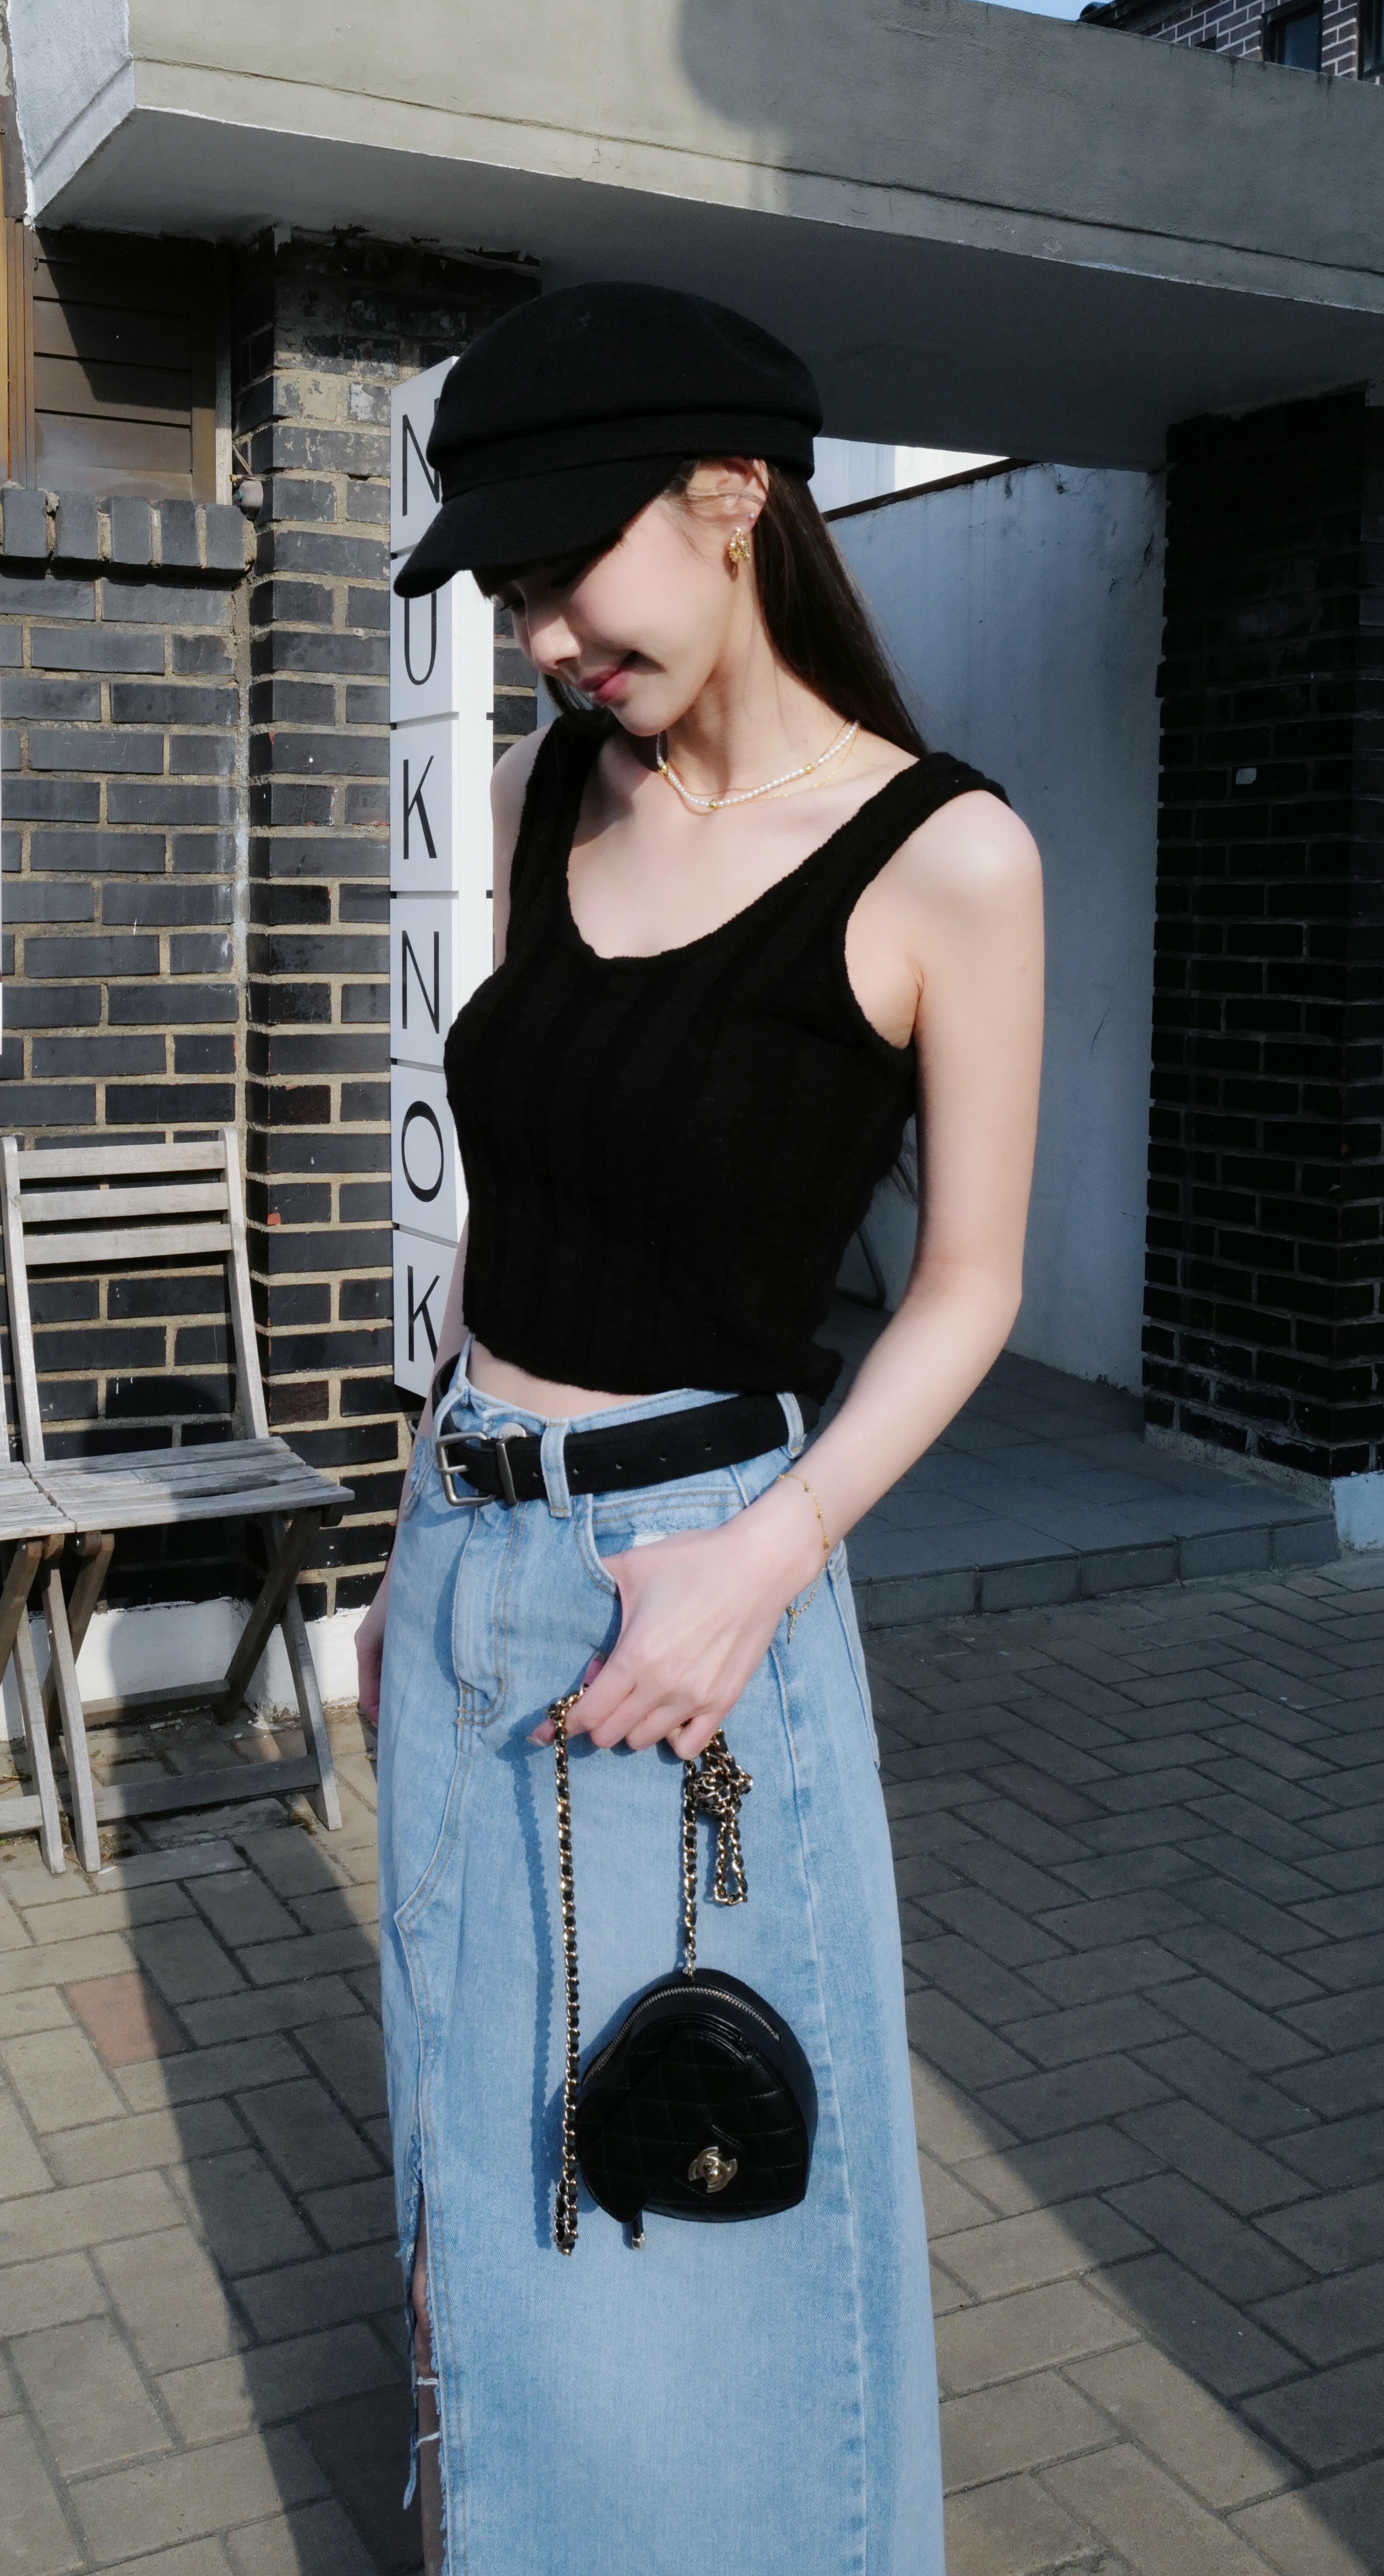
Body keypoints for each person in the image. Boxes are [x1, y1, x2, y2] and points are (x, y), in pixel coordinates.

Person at [356, 282, 1042, 2576]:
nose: (543, 633)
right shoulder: (552, 795)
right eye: (511, 591)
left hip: (689, 1586)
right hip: (467, 1542)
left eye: (568, 568)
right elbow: (525, 1189)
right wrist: (429, 1507)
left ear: (732, 494)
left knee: (684, 2174)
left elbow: (969, 1286)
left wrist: (767, 1557)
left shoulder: (944, 855)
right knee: (473, 2136)